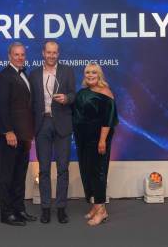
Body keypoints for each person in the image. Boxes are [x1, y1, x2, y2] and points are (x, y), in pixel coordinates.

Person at [29, 40, 76, 224]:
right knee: (44, 169)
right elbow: (30, 103)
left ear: (58, 54)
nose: (51, 55)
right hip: (42, 125)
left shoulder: (67, 71)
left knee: (63, 168)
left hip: (63, 124)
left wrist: (66, 98)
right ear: (43, 53)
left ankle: (62, 208)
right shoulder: (33, 75)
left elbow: (74, 95)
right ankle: (46, 208)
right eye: (48, 52)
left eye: (54, 52)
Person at [0, 42, 37, 226]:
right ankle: (7, 213)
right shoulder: (3, 76)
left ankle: (19, 209)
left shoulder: (24, 74)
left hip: (25, 135)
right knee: (7, 175)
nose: (20, 57)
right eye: (16, 54)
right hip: (10, 135)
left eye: (22, 54)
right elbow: (1, 107)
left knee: (20, 174)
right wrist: (8, 131)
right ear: (9, 55)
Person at [73, 63, 118, 226]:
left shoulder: (106, 93)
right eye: (87, 72)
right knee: (88, 171)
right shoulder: (82, 92)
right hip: (82, 139)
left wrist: (102, 140)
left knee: (98, 172)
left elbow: (109, 120)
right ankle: (95, 205)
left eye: (93, 72)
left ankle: (102, 211)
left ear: (99, 75)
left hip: (98, 139)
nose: (90, 75)